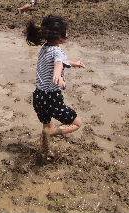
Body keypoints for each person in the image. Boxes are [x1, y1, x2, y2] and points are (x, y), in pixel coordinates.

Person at [26, 15, 85, 154]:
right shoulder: (58, 51)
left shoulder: (45, 48)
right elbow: (58, 62)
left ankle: (46, 151)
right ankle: (50, 134)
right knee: (77, 123)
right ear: (60, 36)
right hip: (51, 98)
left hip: (39, 96)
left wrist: (73, 63)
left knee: (47, 125)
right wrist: (58, 75)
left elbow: (58, 61)